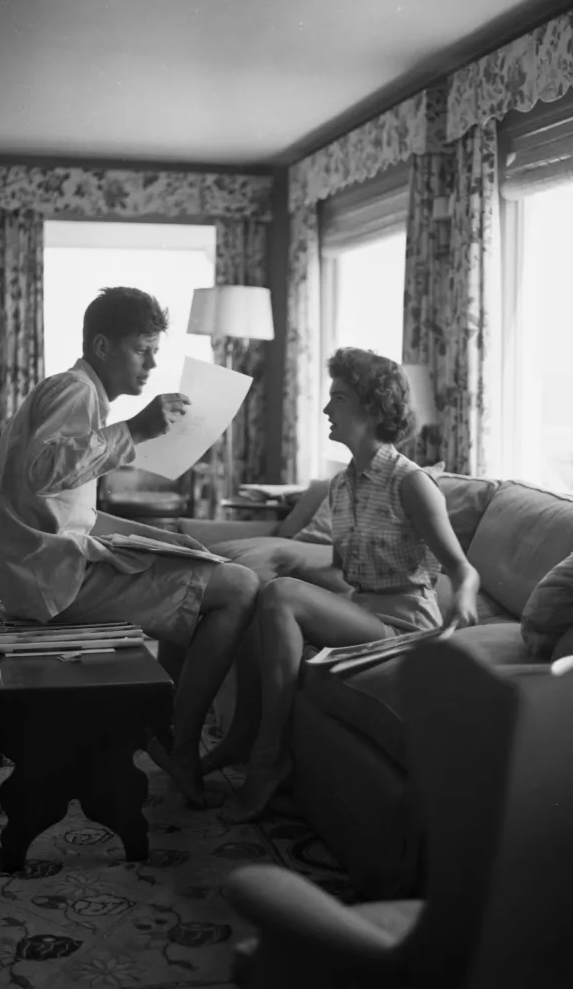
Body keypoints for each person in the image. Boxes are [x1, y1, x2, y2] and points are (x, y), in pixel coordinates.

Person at [0, 286, 259, 808]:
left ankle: (159, 726)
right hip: (51, 582)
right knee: (241, 587)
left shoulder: (72, 391)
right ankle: (177, 744)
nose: (153, 363)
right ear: (103, 346)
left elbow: (72, 512)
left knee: (202, 569)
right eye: (142, 349)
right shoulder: (76, 392)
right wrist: (135, 429)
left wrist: (165, 540)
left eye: (156, 350)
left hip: (41, 570)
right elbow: (45, 472)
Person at [211, 347, 481, 823]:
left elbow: (462, 568)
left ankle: (268, 755)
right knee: (257, 594)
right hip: (361, 613)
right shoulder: (342, 486)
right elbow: (340, 573)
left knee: (279, 596)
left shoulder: (411, 483)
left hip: (405, 628)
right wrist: (277, 584)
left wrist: (462, 601)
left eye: (339, 397)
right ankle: (241, 738)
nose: (326, 409)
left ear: (373, 408)